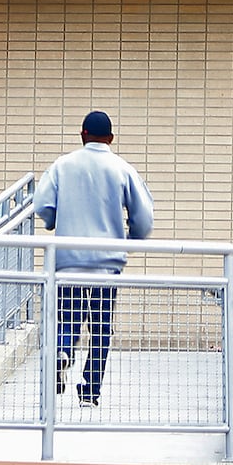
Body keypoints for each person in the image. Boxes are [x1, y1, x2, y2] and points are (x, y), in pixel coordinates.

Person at [33, 110, 155, 407]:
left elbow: (41, 204)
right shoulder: (122, 169)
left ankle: (63, 350)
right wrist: (132, 238)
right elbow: (144, 217)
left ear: (82, 134)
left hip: (68, 260)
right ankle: (90, 391)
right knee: (101, 327)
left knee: (69, 319)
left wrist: (52, 223)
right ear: (111, 139)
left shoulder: (63, 165)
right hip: (107, 263)